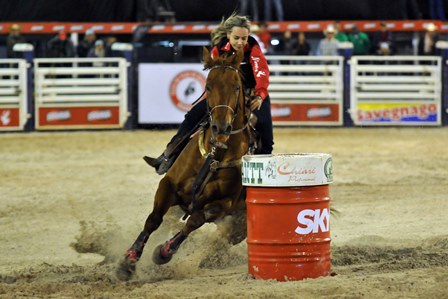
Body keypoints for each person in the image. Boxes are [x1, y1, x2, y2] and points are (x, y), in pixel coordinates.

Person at [144, 14, 273, 175]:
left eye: (244, 38)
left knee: (265, 129)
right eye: (236, 38)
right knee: (192, 118)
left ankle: (264, 170)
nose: (240, 42)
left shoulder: (253, 49)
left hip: (253, 95)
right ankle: (168, 156)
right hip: (224, 97)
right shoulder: (217, 50)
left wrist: (260, 95)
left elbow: (261, 72)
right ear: (228, 35)